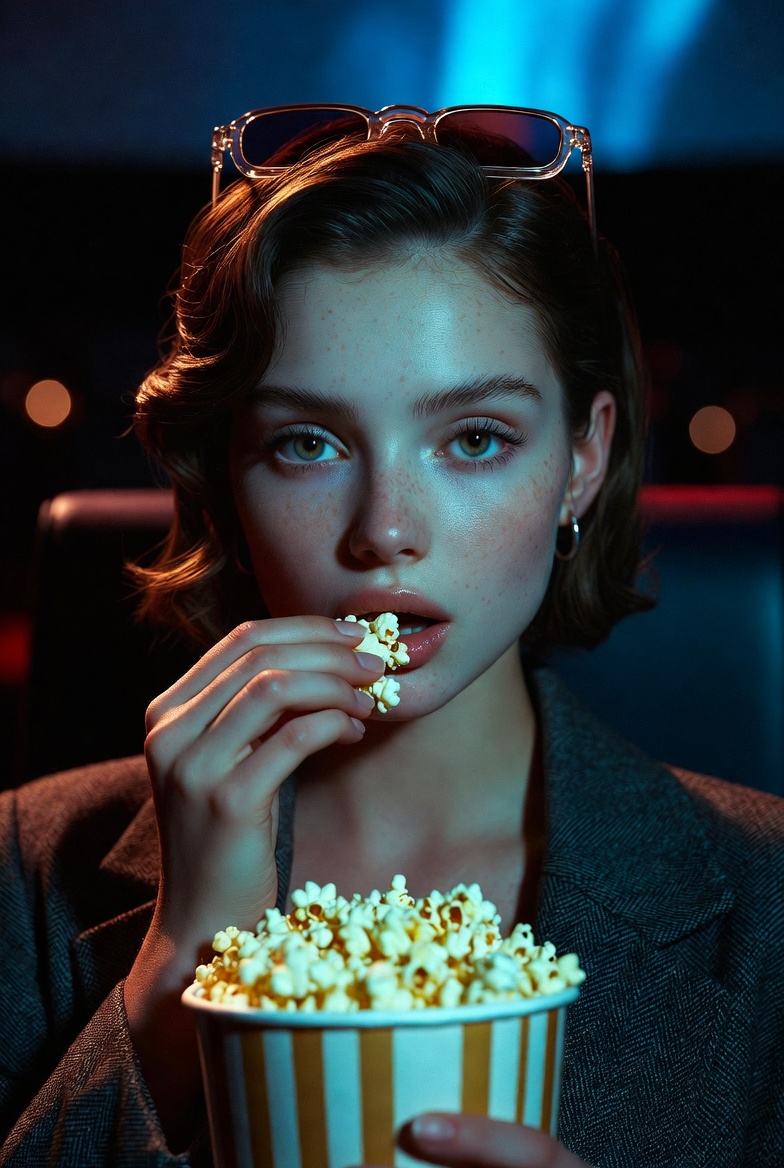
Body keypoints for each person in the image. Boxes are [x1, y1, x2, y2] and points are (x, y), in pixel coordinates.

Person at [1, 105, 782, 1168]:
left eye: (473, 438)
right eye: (307, 443)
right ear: (228, 477)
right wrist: (184, 965)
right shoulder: (23, 868)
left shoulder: (770, 900)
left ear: (583, 460)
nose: (385, 531)